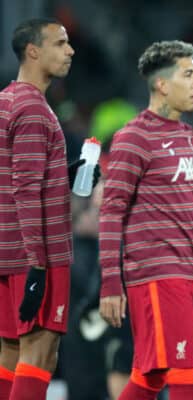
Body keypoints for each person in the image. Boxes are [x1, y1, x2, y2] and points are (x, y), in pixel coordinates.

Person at [98, 40, 193, 400]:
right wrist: (109, 283)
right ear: (163, 84)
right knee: (187, 373)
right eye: (189, 74)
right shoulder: (133, 137)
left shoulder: (186, 135)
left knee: (150, 377)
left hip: (182, 273)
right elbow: (111, 210)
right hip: (153, 273)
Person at [0, 18, 81, 400]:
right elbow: (26, 188)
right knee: (40, 351)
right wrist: (37, 263)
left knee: (12, 350)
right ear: (33, 51)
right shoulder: (33, 109)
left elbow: (14, 176)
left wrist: (64, 176)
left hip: (7, 249)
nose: (70, 51)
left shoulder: (6, 100)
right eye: (60, 44)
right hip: (37, 254)